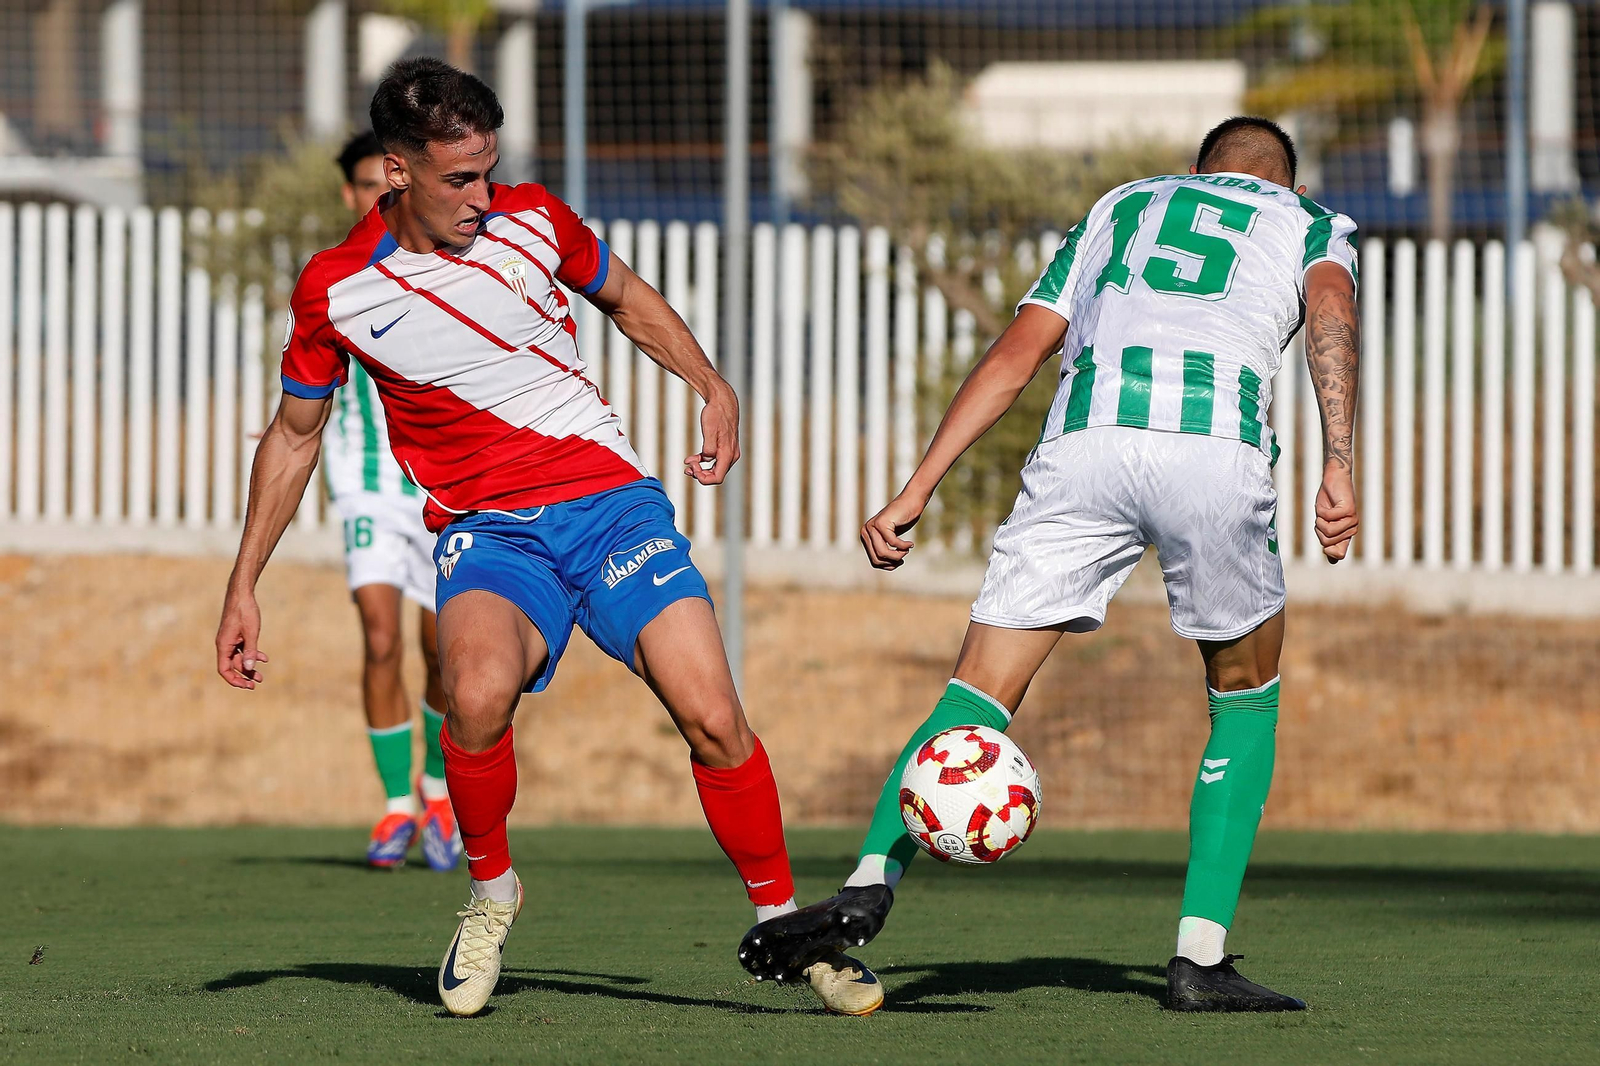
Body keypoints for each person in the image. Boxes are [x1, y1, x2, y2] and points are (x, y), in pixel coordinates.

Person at [215, 58, 876, 1018]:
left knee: (714, 716)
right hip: (489, 535)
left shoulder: (533, 219)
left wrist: (712, 384)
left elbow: (630, 300)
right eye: (458, 179)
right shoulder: (338, 290)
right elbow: (293, 435)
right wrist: (244, 583)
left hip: (611, 506)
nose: (484, 196)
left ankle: (789, 923)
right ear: (395, 172)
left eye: (490, 169)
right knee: (473, 695)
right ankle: (490, 895)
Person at [738, 117, 1361, 1013]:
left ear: (1196, 173)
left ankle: (871, 876)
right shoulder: (1309, 223)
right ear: (1283, 183)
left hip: (1085, 447)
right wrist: (1339, 461)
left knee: (976, 694)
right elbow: (1332, 316)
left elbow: (1018, 353)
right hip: (1212, 449)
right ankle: (1200, 957)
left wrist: (916, 489)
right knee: (1244, 695)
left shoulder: (1121, 206)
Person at [326, 130, 457, 871]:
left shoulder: (447, 267)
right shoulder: (336, 276)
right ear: (351, 193)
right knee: (380, 637)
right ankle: (395, 808)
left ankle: (437, 790)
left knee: (442, 647)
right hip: (367, 482)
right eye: (368, 184)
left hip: (441, 485)